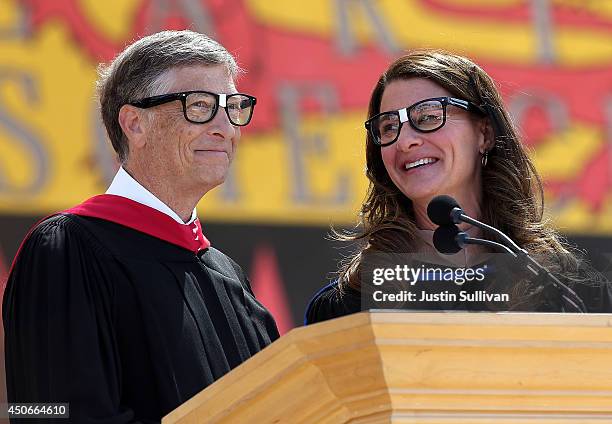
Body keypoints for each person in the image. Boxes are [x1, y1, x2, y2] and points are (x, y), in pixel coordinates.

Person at [3, 30, 279, 423]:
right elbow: (48, 415)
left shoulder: (229, 278)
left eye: (233, 107)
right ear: (134, 123)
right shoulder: (65, 251)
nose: (226, 127)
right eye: (199, 106)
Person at [305, 50, 612, 324]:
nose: (405, 139)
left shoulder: (568, 291)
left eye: (427, 117)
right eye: (388, 127)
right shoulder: (349, 305)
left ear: (485, 133)